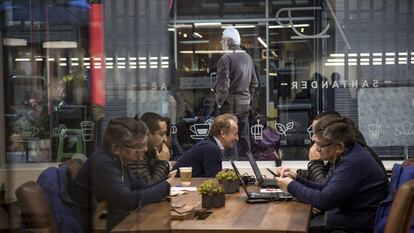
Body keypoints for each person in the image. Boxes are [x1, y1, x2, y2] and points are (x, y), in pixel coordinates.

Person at [275, 115, 389, 233]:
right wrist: (296, 178)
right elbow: (325, 188)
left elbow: (324, 201)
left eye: (320, 145)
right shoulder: (348, 155)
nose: (316, 149)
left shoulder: (351, 163)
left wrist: (291, 186)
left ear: (339, 146)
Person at [70, 117, 176, 231]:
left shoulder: (118, 159)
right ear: (116, 148)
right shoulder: (103, 164)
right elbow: (127, 201)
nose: (145, 149)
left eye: (144, 144)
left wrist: (166, 180)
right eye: (138, 146)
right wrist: (166, 186)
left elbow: (139, 186)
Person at [297, 111, 386, 183]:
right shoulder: (346, 149)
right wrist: (296, 176)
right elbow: (330, 177)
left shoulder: (351, 158)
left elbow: (326, 191)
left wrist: (315, 162)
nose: (313, 138)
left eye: (317, 133)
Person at [215, 27, 258, 160]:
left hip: (229, 105)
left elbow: (223, 86)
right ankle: (248, 164)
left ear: (228, 40)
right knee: (244, 137)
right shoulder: (248, 58)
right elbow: (254, 83)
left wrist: (219, 103)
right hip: (244, 105)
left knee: (229, 138)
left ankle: (232, 168)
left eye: (223, 39)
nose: (222, 42)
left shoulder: (225, 58)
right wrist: (248, 99)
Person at [172, 113, 238, 177]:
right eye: (235, 134)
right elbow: (215, 181)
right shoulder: (211, 149)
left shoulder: (209, 145)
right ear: (223, 133)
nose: (237, 138)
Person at [129, 112, 171, 184]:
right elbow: (150, 187)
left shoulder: (152, 152)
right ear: (148, 135)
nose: (165, 139)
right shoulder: (137, 155)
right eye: (161, 134)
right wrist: (163, 163)